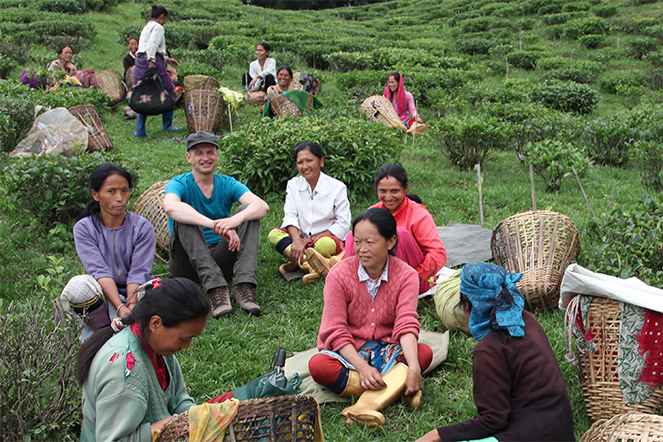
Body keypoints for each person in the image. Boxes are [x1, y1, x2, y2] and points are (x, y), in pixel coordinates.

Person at [414, 263, 575, 442]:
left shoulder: (488, 348)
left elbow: (493, 421)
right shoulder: (526, 320)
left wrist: (438, 434)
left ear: (468, 305)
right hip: (561, 430)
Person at [309, 208, 433, 428]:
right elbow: (335, 330)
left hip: (387, 350)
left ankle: (361, 407)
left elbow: (406, 324)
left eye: (370, 242)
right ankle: (397, 389)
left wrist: (413, 367)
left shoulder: (407, 276)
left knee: (422, 354)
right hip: (350, 352)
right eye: (357, 242)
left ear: (391, 242)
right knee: (319, 366)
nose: (362, 250)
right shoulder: (339, 275)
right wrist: (363, 368)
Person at [77, 278, 211, 440]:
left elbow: (180, 401)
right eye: (183, 339)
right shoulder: (124, 369)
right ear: (155, 323)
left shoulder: (159, 350)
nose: (187, 346)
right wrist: (170, 424)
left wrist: (196, 418)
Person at [163, 130, 270, 318]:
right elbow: (171, 207)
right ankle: (216, 289)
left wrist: (234, 221)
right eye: (199, 153)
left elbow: (262, 206)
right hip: (186, 263)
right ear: (189, 157)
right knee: (185, 215)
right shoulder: (178, 183)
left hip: (220, 256)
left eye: (210, 152)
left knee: (248, 211)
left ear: (217, 155)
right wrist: (214, 225)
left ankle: (243, 285)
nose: (205, 157)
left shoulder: (227, 183)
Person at [60, 164, 156, 342]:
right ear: (95, 195)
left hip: (137, 290)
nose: (120, 198)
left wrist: (132, 304)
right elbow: (99, 271)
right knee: (77, 286)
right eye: (111, 191)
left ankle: (135, 333)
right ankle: (103, 335)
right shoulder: (84, 228)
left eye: (124, 191)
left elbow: (138, 272)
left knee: (162, 292)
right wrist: (120, 307)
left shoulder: (142, 227)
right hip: (102, 292)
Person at [345, 162, 446, 294]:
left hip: (415, 280)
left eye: (394, 191)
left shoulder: (418, 215)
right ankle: (352, 285)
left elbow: (439, 255)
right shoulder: (373, 212)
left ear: (406, 189)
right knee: (352, 236)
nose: (388, 197)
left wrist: (415, 276)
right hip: (377, 276)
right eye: (383, 191)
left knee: (399, 233)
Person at [267, 142, 351, 284]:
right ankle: (311, 265)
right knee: (273, 235)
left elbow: (343, 224)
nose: (305, 166)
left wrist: (311, 240)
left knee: (324, 245)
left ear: (321, 161)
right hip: (300, 238)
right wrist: (296, 241)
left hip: (325, 238)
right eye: (300, 162)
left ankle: (298, 262)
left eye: (309, 160)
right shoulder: (293, 184)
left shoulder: (337, 187)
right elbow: (290, 216)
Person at [133, 5, 180, 137]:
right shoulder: (158, 27)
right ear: (162, 17)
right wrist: (152, 63)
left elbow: (146, 47)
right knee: (169, 89)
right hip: (151, 61)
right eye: (165, 19)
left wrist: (167, 59)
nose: (165, 21)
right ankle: (167, 125)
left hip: (140, 61)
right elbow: (152, 45)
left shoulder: (147, 26)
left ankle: (140, 131)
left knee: (143, 92)